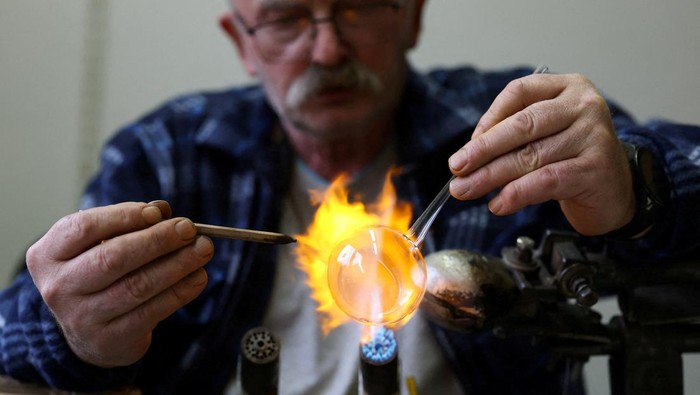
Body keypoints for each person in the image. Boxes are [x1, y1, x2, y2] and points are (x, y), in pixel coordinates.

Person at [1, 0, 699, 393]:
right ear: (241, 41)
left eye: (359, 5)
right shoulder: (168, 155)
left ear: (415, 15)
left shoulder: (509, 127)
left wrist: (636, 187)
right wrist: (74, 334)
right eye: (284, 16)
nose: (328, 49)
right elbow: (15, 332)